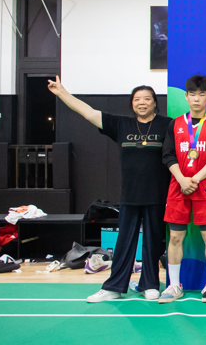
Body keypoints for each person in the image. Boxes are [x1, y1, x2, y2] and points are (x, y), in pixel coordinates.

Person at [48, 78, 170, 303]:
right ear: (132, 104)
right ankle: (114, 287)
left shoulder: (167, 125)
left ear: (155, 103)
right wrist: (62, 93)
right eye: (137, 99)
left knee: (153, 242)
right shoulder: (121, 124)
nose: (142, 103)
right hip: (130, 196)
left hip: (157, 195)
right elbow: (88, 112)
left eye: (147, 99)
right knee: (124, 242)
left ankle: (150, 284)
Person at [159, 75, 206, 303]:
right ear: (186, 96)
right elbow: (168, 155)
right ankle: (174, 285)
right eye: (192, 94)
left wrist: (195, 179)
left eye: (201, 94)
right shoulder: (175, 124)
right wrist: (182, 179)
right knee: (175, 237)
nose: (196, 99)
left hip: (205, 188)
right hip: (178, 187)